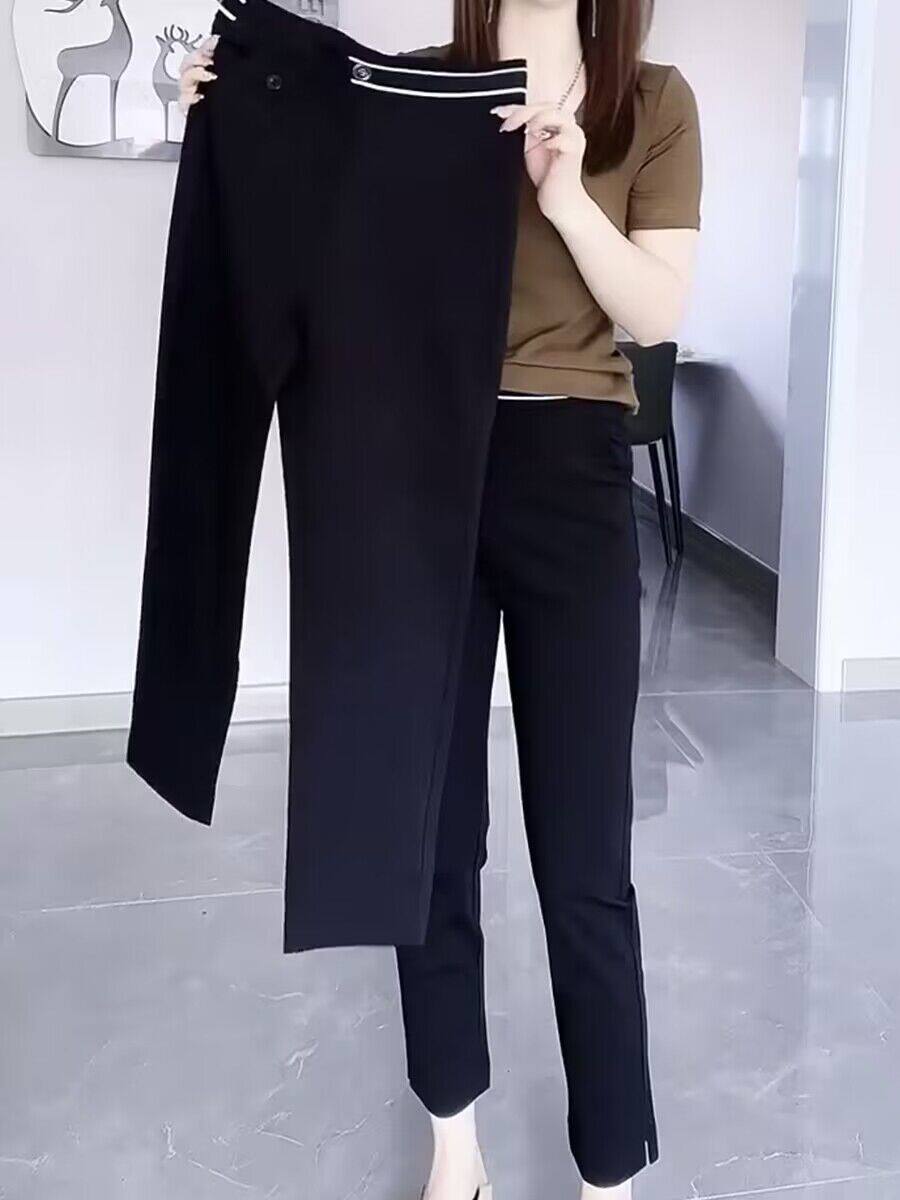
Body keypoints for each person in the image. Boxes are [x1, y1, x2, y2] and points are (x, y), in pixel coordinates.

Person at [179, 1, 702, 1197]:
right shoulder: (409, 89)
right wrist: (236, 106)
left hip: (572, 474)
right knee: (428, 839)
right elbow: (303, 224)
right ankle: (453, 1142)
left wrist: (566, 194)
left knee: (586, 852)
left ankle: (610, 1170)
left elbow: (658, 312)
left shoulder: (653, 101)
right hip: (414, 472)